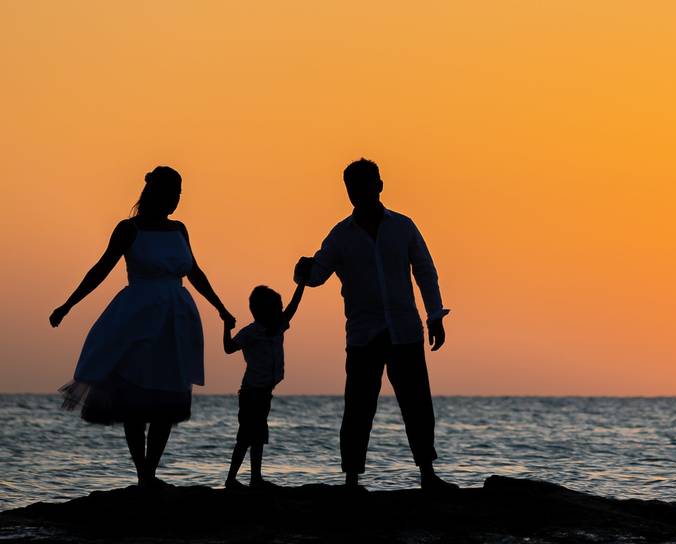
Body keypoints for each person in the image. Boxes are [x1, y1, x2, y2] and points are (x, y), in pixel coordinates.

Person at [50, 166, 234, 487]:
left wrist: (221, 308)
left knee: (166, 399)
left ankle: (151, 471)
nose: (177, 198)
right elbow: (101, 269)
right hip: (136, 319)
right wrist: (67, 305)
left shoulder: (180, 229)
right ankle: (143, 475)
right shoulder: (128, 229)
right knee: (134, 400)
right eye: (173, 191)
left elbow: (195, 272)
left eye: (180, 192)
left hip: (175, 320)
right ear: (156, 192)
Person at [295, 158, 457, 492]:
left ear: (379, 186)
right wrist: (303, 272)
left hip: (405, 330)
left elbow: (425, 271)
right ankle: (351, 480)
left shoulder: (402, 227)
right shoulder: (340, 236)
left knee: (417, 405)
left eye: (364, 186)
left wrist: (435, 315)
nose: (358, 193)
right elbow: (318, 274)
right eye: (352, 188)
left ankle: (427, 474)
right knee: (358, 408)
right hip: (363, 334)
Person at [222, 282, 305, 489]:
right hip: (251, 394)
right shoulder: (251, 332)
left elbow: (293, 307)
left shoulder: (278, 327)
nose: (281, 312)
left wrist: (302, 284)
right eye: (277, 309)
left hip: (264, 393)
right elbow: (229, 348)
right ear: (263, 312)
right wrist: (226, 325)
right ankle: (232, 479)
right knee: (246, 437)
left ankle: (255, 478)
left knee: (258, 436)